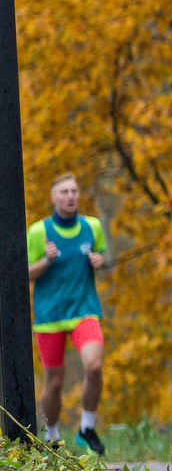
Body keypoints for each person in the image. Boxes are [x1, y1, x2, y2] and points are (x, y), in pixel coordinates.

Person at [26, 173, 112, 454]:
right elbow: (24, 274)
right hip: (49, 317)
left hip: (83, 311)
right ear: (53, 198)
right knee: (55, 382)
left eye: (74, 191)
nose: (71, 196)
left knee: (95, 366)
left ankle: (86, 428)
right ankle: (52, 437)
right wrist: (46, 260)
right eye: (64, 192)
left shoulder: (92, 226)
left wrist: (100, 261)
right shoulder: (39, 231)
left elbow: (101, 256)